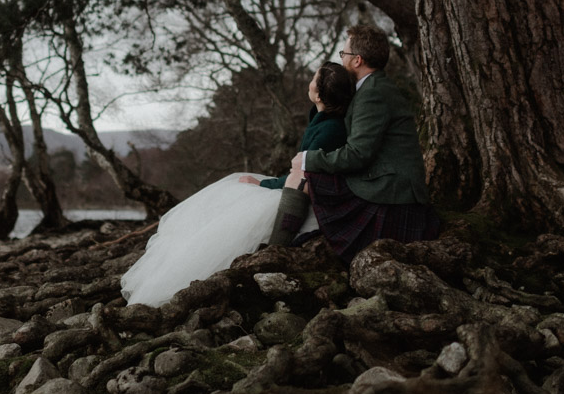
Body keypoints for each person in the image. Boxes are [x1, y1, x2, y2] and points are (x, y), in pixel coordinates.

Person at [120, 62, 354, 307]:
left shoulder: (330, 130)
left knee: (239, 198)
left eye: (313, 80)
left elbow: (305, 174)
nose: (309, 82)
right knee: (232, 188)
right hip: (296, 183)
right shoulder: (321, 119)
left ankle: (197, 272)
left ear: (319, 94)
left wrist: (266, 184)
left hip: (303, 193)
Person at [287, 25, 440, 263]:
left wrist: (309, 158)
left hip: (392, 195)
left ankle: (278, 245)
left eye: (343, 55)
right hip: (383, 183)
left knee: (305, 175)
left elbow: (358, 154)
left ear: (357, 60)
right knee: (307, 176)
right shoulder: (370, 88)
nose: (342, 59)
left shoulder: (373, 93)